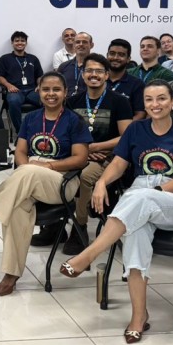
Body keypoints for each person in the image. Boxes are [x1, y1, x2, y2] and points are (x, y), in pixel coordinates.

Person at [60, 80, 173, 344]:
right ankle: (139, 316)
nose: (155, 104)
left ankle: (90, 253)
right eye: (149, 100)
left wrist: (154, 193)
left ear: (172, 102)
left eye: (161, 98)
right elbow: (118, 163)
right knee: (135, 234)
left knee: (140, 197)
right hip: (140, 201)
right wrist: (101, 182)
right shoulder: (136, 129)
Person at [0, 72, 91, 295]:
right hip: (28, 177)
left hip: (61, 180)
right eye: (46, 89)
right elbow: (20, 151)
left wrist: (47, 166)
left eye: (56, 89)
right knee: (16, 208)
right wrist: (27, 167)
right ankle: (12, 272)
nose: (51, 94)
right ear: (39, 92)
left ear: (65, 92)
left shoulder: (74, 120)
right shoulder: (31, 118)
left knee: (28, 171)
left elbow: (80, 159)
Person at [62, 54, 133, 255]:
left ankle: (79, 227)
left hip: (108, 157)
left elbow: (126, 136)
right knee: (52, 173)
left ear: (107, 75)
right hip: (78, 154)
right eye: (89, 71)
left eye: (99, 71)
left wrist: (95, 148)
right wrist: (84, 151)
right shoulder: (72, 101)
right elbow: (64, 133)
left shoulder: (119, 102)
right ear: (82, 74)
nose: (94, 75)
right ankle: (54, 225)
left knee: (84, 176)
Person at [0, 30, 45, 131]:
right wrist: (8, 85)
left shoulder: (33, 58)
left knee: (46, 100)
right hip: (15, 90)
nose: (20, 43)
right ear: (12, 43)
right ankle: (21, 132)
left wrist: (40, 85)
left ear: (26, 43)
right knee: (13, 101)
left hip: (32, 90)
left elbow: (40, 76)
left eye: (22, 41)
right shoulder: (4, 59)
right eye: (17, 40)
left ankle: (40, 129)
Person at [105, 39, 145, 120]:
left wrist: (123, 126)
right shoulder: (98, 80)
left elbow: (140, 114)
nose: (115, 57)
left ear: (128, 59)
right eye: (112, 53)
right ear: (107, 55)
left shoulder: (137, 84)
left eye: (121, 55)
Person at [57, 31, 93, 96]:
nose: (81, 44)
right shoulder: (63, 66)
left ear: (91, 45)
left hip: (88, 101)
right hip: (67, 101)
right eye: (77, 42)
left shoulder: (97, 67)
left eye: (84, 42)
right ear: (73, 45)